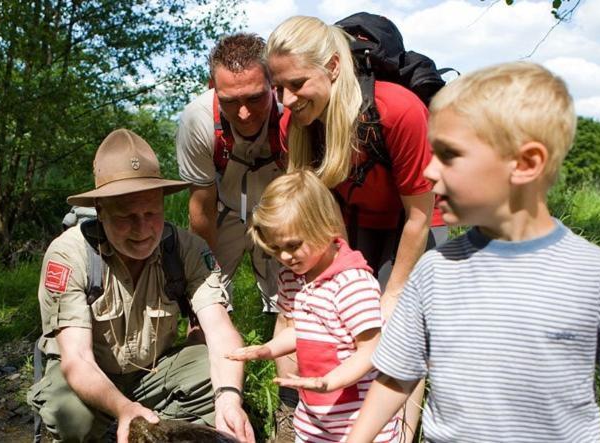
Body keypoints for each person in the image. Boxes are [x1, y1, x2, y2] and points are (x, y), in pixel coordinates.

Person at [348, 62, 600, 443]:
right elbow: (397, 375)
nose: (429, 171)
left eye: (449, 155)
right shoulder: (434, 270)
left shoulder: (590, 274)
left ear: (525, 163)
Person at [265, 15, 440, 439]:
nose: (286, 100)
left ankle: (395, 431)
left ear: (333, 67)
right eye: (279, 87)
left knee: (397, 329)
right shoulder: (295, 126)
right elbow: (306, 207)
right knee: (300, 309)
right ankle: (297, 420)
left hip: (407, 226)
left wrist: (393, 294)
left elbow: (420, 214)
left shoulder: (398, 110)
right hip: (346, 226)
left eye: (298, 84)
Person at [27, 128, 254, 443]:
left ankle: (151, 427)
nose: (143, 229)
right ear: (100, 211)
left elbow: (221, 332)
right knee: (72, 418)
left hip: (152, 372)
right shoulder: (69, 255)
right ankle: (125, 423)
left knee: (213, 372)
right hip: (88, 375)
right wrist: (123, 409)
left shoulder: (187, 249)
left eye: (152, 213)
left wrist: (229, 397)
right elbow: (76, 358)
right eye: (126, 217)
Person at [175, 33, 298, 441]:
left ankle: (292, 406)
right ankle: (204, 395)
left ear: (272, 86)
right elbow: (200, 209)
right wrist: (208, 277)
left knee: (293, 296)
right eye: (229, 102)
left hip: (281, 203)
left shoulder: (293, 113)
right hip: (224, 207)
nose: (243, 113)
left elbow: (306, 191)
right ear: (213, 89)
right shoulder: (197, 121)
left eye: (255, 97)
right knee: (204, 296)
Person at [228, 170, 401, 442]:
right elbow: (302, 330)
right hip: (313, 422)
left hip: (357, 423)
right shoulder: (293, 276)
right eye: (275, 248)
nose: (284, 256)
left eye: (293, 245)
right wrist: (268, 349)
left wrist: (330, 381)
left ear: (324, 226)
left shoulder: (351, 282)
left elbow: (371, 349)